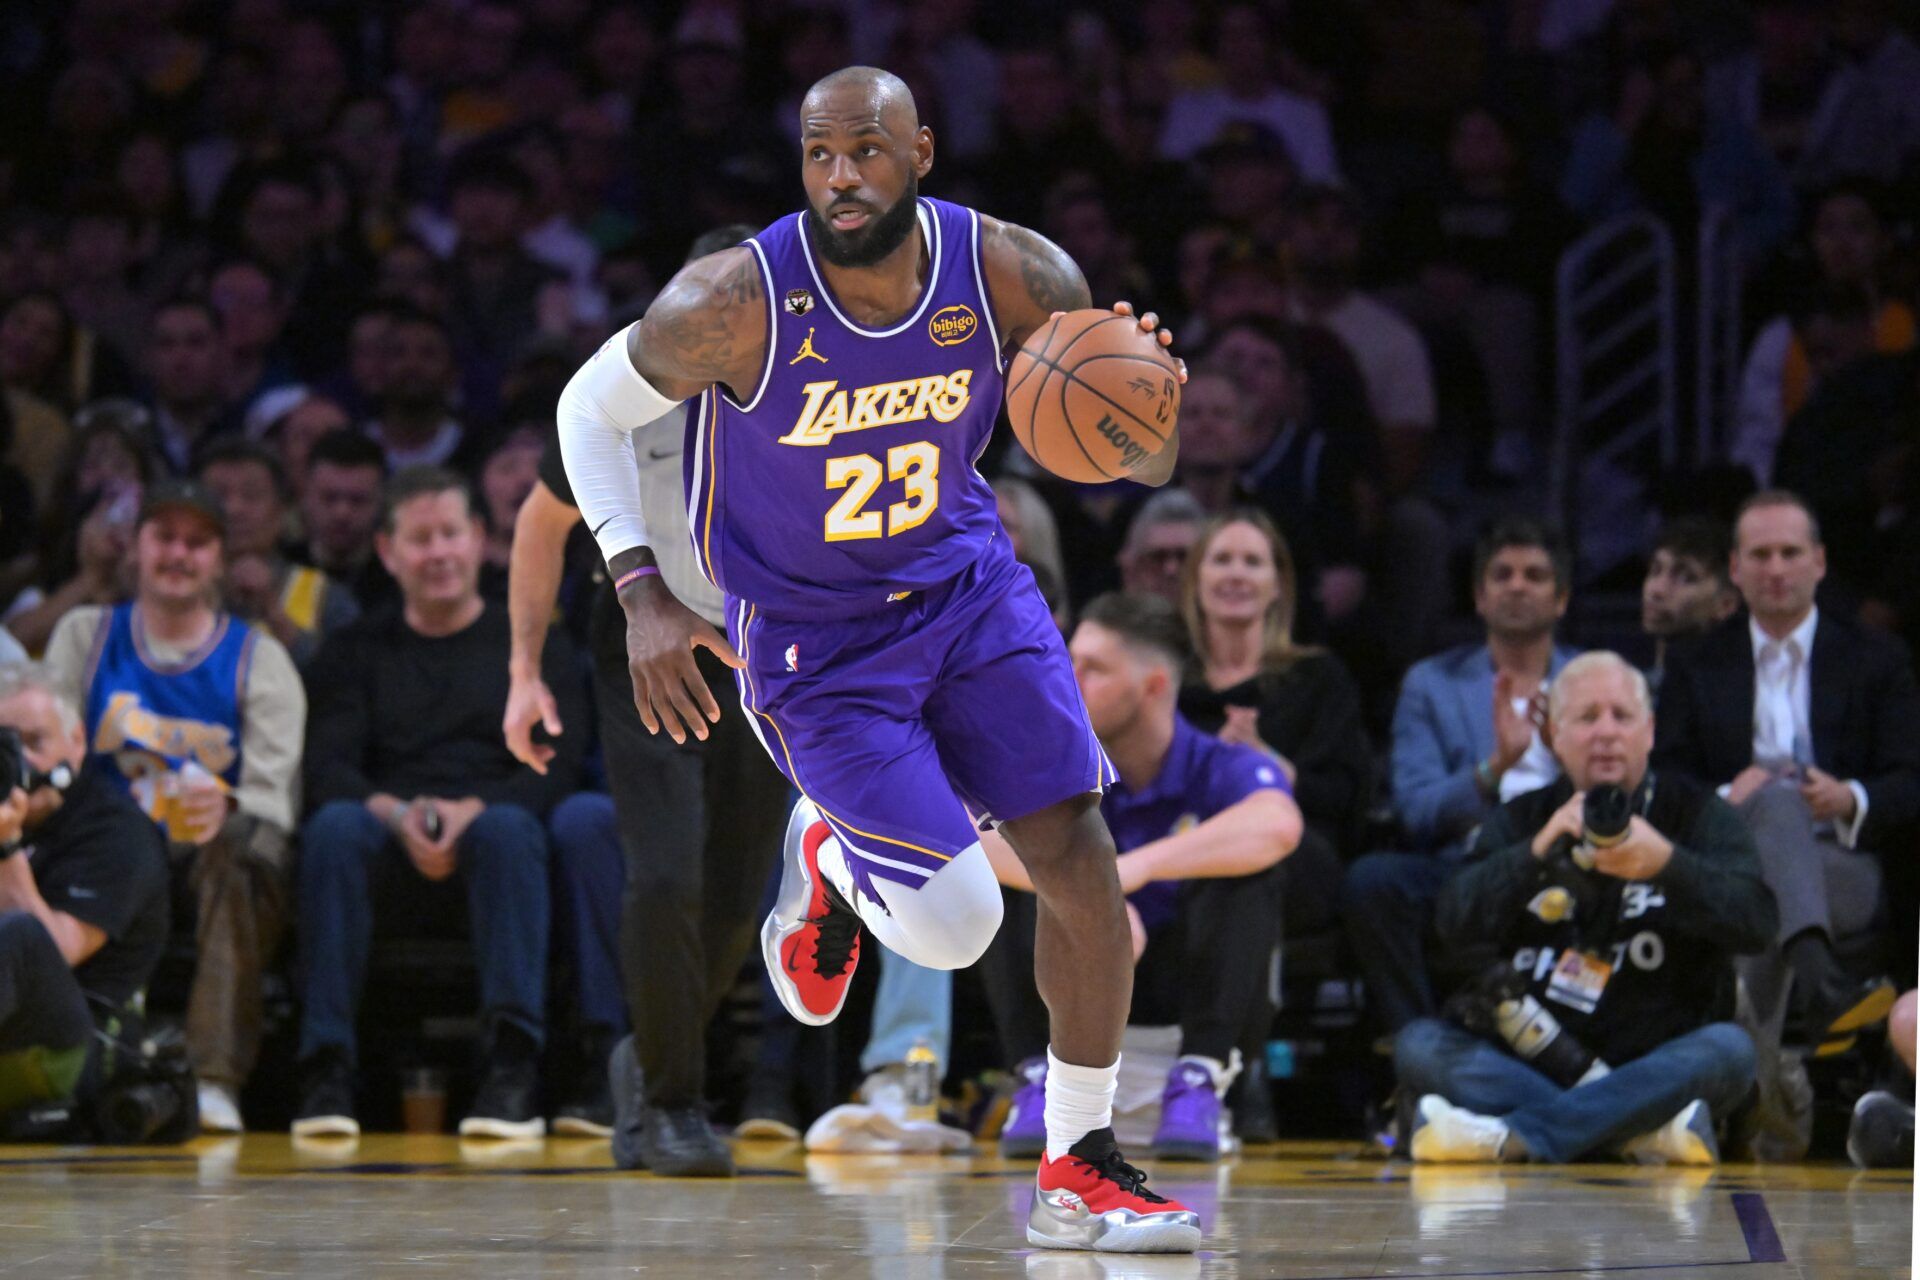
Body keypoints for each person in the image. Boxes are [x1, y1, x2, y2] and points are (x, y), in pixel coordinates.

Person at [554, 66, 1200, 1252]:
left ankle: (1081, 1158)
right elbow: (583, 415)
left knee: (1080, 861)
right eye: (819, 154)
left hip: (968, 589)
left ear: (923, 152)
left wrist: (1150, 412)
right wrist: (639, 589)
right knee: (954, 927)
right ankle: (832, 857)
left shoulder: (1016, 271)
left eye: (867, 149)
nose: (843, 175)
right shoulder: (729, 299)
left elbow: (1129, 462)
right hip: (815, 639)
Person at [505, 222, 789, 1175]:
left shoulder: (817, 387)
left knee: (741, 888)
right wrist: (521, 670)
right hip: (648, 641)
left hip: (762, 654)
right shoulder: (627, 381)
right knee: (665, 871)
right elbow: (541, 526)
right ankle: (672, 1104)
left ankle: (649, 1055)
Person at [295, 467, 584, 1141]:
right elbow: (326, 767)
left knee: (510, 829)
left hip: (498, 843)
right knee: (333, 828)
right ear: (388, 553)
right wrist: (394, 813)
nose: (438, 553)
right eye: (419, 539)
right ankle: (325, 1072)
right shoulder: (353, 649)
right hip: (385, 843)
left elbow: (560, 768)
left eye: (451, 534)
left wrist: (473, 811)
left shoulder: (536, 643)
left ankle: (513, 1070)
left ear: (481, 540)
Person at [1400, 652, 1777, 1164]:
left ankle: (1512, 1136)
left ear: (1649, 731)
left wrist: (1668, 864)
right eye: (1586, 717)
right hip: (1536, 1059)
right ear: (1554, 734)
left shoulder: (1696, 813)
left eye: (1621, 717)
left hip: (1658, 1059)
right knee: (1419, 1045)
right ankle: (1636, 1132)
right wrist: (1534, 853)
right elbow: (1451, 923)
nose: (1605, 732)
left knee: (1730, 1052)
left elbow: (1758, 923)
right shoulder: (1524, 819)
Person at [981, 593, 1302, 1164]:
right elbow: (967, 838)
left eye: (1093, 668)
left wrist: (1127, 873)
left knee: (1250, 876)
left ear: (1154, 686)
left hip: (1184, 986)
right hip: (1075, 980)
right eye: (1068, 660)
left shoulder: (1214, 763)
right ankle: (1035, 1076)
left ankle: (1200, 1077)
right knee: (1019, 871)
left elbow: (1279, 823)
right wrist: (1088, 899)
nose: (1067, 678)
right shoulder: (1053, 762)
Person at [42, 480, 305, 1135]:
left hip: (204, 847)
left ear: (219, 559)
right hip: (104, 843)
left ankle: (213, 1079)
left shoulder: (258, 657)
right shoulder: (85, 635)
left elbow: (275, 795)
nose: (179, 554)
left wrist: (227, 802)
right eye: (165, 537)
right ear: (135, 547)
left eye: (198, 542)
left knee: (250, 846)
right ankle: (48, 1064)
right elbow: (48, 757)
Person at [1653, 491, 1919, 1053]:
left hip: (1843, 865)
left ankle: (1745, 1085)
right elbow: (1664, 780)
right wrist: (1728, 795)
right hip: (1729, 864)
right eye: (1760, 554)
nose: (1775, 569)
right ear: (1735, 568)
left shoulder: (1877, 657)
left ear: (1819, 561)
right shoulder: (1696, 662)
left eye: (1790, 553)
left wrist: (1850, 798)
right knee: (1771, 810)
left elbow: (1910, 779)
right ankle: (1820, 988)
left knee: (1762, 895)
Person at [1344, 517, 1579, 1040]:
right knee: (1374, 881)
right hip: (1466, 864)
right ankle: (1421, 1048)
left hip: (1573, 862)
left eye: (1535, 575)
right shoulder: (1432, 684)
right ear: (1479, 596)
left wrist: (1569, 762)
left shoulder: (1593, 678)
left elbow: (1631, 793)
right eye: (1503, 574)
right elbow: (1417, 809)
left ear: (1561, 599)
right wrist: (1495, 767)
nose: (1517, 585)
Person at [0, 664, 169, 1126]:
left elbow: (53, 952)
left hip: (71, 1053)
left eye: (33, 743)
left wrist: (6, 847)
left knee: (19, 938)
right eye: (4, 748)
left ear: (76, 743)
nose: (20, 765)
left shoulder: (116, 831)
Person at [197, 438, 358, 670]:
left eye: (251, 496)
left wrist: (273, 612)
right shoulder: (172, 590)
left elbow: (342, 683)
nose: (234, 509)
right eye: (219, 496)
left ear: (282, 510)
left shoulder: (328, 598)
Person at [293, 429, 393, 613]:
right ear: (305, 497)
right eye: (329, 498)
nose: (342, 513)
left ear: (381, 502)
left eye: (358, 500)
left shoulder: (398, 578)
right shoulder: (282, 571)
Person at [1641, 516, 1738, 689]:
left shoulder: (1731, 693)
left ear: (1726, 604)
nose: (1657, 590)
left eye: (1686, 578)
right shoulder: (1628, 687)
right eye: (1655, 570)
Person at [1116, 489, 1205, 605]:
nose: (1171, 569)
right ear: (1131, 569)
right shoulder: (1104, 623)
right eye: (1158, 557)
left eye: (1184, 557)